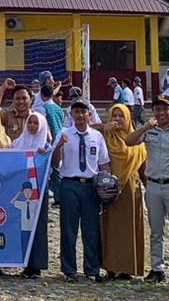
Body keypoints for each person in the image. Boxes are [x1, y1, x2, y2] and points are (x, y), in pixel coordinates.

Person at [125, 93, 169, 289]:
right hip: (153, 185)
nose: (161, 112)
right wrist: (146, 126)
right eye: (157, 109)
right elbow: (129, 141)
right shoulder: (149, 131)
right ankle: (157, 268)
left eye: (165, 108)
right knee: (156, 231)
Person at [51, 100, 109, 282]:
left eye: (83, 112)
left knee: (91, 229)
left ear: (89, 115)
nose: (80, 115)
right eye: (76, 112)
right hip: (69, 184)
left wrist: (106, 183)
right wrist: (59, 146)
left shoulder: (96, 136)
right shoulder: (64, 134)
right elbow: (54, 164)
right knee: (68, 229)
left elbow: (104, 163)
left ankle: (92, 270)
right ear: (71, 115)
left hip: (91, 185)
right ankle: (69, 270)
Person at [100, 103, 145, 281]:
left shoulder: (136, 139)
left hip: (130, 188)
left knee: (129, 229)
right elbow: (85, 128)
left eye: (121, 116)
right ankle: (111, 266)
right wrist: (104, 127)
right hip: (110, 189)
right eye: (114, 116)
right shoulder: (104, 136)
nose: (117, 119)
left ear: (127, 118)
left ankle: (127, 267)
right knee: (111, 228)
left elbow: (143, 168)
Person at [11, 111, 51, 278]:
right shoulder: (17, 144)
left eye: (36, 123)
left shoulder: (46, 148)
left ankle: (36, 265)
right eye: (30, 122)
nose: (33, 126)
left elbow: (51, 168)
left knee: (38, 229)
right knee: (22, 229)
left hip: (39, 193)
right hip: (21, 193)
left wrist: (46, 154)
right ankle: (23, 263)